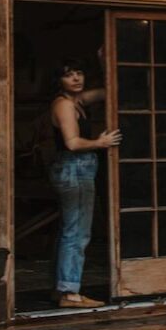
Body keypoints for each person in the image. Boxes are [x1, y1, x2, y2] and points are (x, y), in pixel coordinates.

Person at [48, 56, 120, 307]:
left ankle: (61, 288)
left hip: (75, 169)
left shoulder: (75, 100)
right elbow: (72, 142)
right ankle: (70, 293)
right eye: (69, 74)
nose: (76, 78)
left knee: (71, 229)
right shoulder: (64, 105)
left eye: (79, 72)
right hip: (74, 168)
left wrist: (104, 59)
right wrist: (100, 143)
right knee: (77, 233)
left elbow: (109, 90)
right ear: (59, 80)